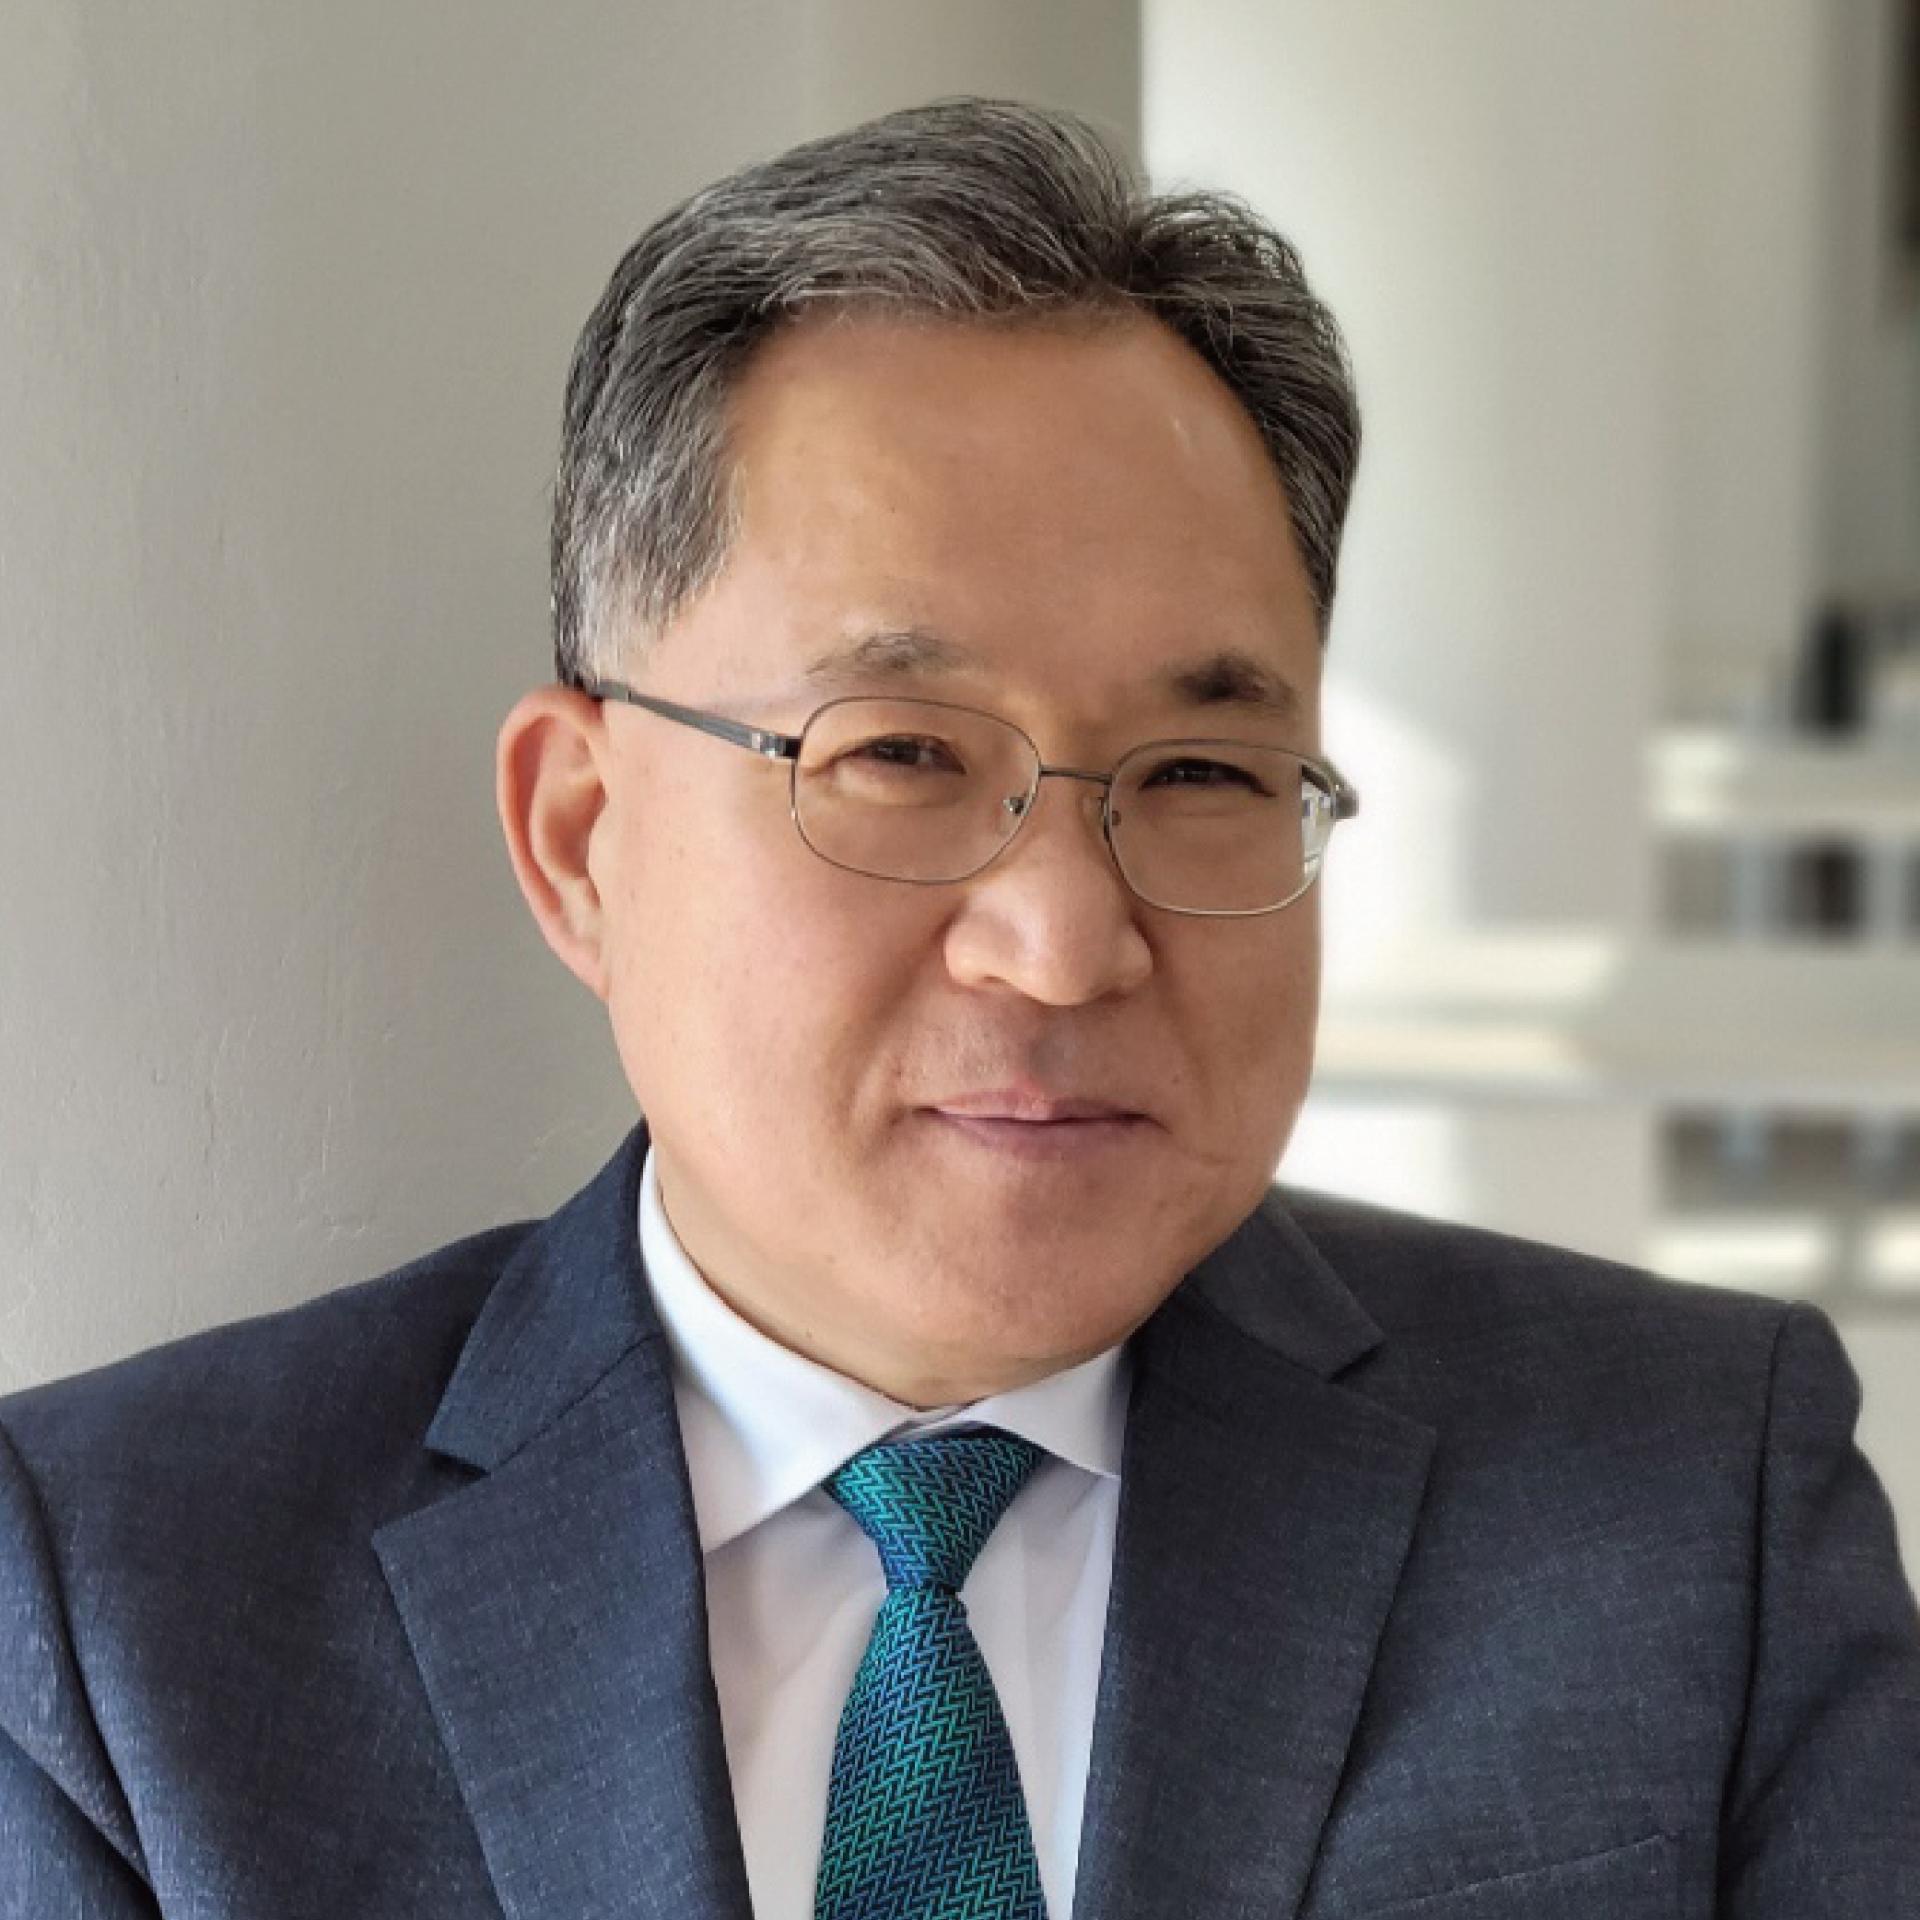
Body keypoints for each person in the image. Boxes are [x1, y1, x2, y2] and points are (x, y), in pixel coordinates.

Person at [1, 97, 1915, 1920]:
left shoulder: (1691, 1502)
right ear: (584, 839)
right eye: (902, 753)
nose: (1066, 944)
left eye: (1204, 772)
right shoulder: (127, 1607)